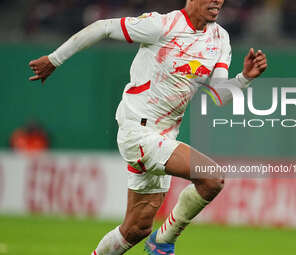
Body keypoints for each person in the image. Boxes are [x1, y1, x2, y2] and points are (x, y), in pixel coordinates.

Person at [28, 0, 268, 254]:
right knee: (211, 178)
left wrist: (244, 79)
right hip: (139, 131)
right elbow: (103, 27)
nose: (217, 0)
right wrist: (54, 59)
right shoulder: (162, 25)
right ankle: (163, 241)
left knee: (136, 229)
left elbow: (219, 95)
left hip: (164, 136)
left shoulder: (220, 38)